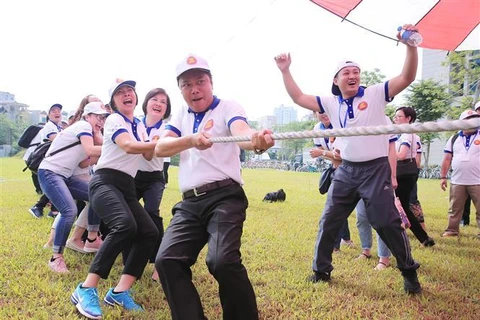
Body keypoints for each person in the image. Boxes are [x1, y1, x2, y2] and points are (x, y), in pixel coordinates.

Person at [274, 24, 422, 294]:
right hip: (346, 171)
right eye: (347, 73)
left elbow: (407, 77)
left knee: (386, 221)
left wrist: (410, 46)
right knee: (329, 219)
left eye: (356, 72)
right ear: (336, 80)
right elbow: (298, 97)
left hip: (375, 170)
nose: (353, 76)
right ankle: (321, 271)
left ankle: (409, 271)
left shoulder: (376, 93)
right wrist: (285, 70)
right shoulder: (330, 103)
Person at [154, 53, 274, 320]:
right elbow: (160, 147)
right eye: (187, 84)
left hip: (225, 197)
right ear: (180, 89)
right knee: (167, 260)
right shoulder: (180, 116)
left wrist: (256, 141)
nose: (194, 89)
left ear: (211, 82)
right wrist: (192, 140)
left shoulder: (228, 107)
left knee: (221, 261)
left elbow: (241, 133)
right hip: (189, 204)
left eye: (200, 81)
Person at [71, 79, 159, 319]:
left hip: (126, 187)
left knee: (149, 232)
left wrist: (158, 142)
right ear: (113, 102)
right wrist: (151, 144)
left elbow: (148, 155)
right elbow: (128, 146)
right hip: (105, 182)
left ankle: (119, 292)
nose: (127, 94)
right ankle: (86, 288)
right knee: (124, 225)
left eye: (130, 91)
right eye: (121, 92)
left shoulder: (140, 126)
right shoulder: (114, 120)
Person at [38, 102, 106, 272]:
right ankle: (56, 258)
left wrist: (100, 148)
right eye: (98, 117)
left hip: (66, 176)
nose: (101, 121)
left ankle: (91, 239)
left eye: (103, 118)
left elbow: (84, 162)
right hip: (50, 172)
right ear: (87, 116)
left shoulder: (88, 133)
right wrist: (115, 147)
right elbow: (90, 149)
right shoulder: (82, 126)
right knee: (69, 210)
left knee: (97, 195)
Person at [130, 87, 171, 281]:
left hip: (154, 177)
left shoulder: (166, 130)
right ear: (145, 103)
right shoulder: (134, 124)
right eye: (154, 99)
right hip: (132, 177)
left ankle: (158, 263)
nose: (158, 104)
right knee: (126, 215)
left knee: (152, 213)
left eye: (163, 102)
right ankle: (128, 255)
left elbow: (147, 156)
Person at [309, 111, 353, 252]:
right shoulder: (317, 129)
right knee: (338, 206)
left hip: (350, 171)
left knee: (341, 208)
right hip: (336, 170)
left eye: (326, 110)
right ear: (315, 114)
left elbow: (341, 155)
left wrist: (322, 153)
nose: (324, 114)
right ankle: (342, 241)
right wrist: (327, 154)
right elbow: (332, 155)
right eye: (319, 112)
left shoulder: (339, 125)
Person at [393, 106, 435, 247]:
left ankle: (402, 235)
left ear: (408, 118)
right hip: (408, 173)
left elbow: (402, 155)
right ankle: (424, 239)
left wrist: (389, 153)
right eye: (395, 116)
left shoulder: (407, 134)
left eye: (399, 116)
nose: (395, 119)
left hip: (403, 173)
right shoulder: (408, 134)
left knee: (398, 205)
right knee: (404, 205)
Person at [440, 109, 480, 238]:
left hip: (478, 180)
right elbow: (447, 159)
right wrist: (443, 176)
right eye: (467, 120)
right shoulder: (454, 138)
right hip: (458, 180)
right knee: (454, 208)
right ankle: (452, 230)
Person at [29, 103, 63, 219]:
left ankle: (51, 209)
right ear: (49, 115)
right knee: (55, 183)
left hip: (55, 160)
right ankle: (41, 207)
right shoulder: (49, 126)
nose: (57, 113)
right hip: (48, 160)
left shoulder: (58, 127)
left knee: (58, 183)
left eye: (59, 111)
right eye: (53, 111)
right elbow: (57, 141)